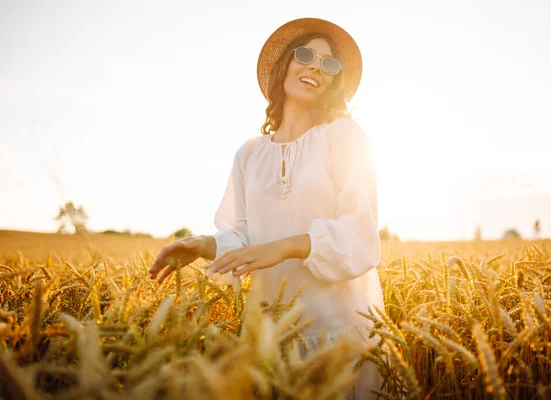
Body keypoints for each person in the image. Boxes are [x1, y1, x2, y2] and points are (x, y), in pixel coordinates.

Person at [149, 17, 385, 399]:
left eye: (329, 64)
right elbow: (243, 235)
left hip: (340, 334)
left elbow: (359, 233)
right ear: (284, 66)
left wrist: (287, 245)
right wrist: (204, 245)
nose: (315, 67)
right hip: (273, 334)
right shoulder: (249, 154)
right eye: (305, 54)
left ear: (335, 82)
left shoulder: (345, 137)